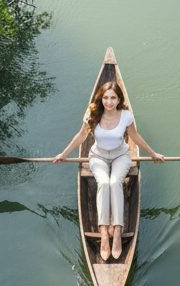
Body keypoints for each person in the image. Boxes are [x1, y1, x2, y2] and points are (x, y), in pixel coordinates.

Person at [53, 79, 164, 260]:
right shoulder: (93, 113)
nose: (109, 102)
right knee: (104, 183)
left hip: (121, 155)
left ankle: (117, 232)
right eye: (105, 97)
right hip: (98, 156)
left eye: (113, 98)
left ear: (119, 100)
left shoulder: (126, 116)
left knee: (115, 183)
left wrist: (153, 153)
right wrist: (63, 154)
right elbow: (82, 136)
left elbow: (134, 136)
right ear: (101, 98)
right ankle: (104, 232)